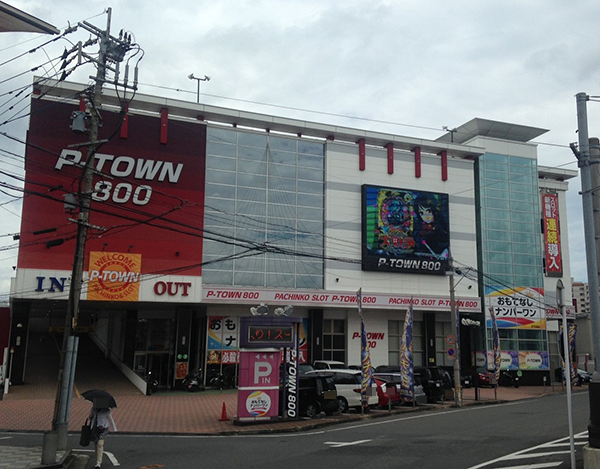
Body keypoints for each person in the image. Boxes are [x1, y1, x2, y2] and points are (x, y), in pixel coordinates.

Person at [89, 402, 117, 468]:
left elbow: (110, 419)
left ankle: (98, 462)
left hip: (103, 429)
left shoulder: (107, 410)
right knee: (96, 444)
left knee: (100, 444)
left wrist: (114, 428)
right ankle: (98, 458)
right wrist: (90, 416)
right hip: (95, 428)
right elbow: (90, 417)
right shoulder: (93, 409)